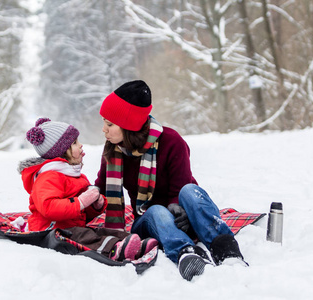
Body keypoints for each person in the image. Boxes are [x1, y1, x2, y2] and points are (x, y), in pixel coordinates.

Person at [94, 80, 246, 281]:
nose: (104, 129)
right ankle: (186, 253)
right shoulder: (114, 150)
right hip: (148, 220)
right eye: (104, 122)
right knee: (157, 210)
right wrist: (80, 203)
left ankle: (226, 250)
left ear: (129, 124)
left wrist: (177, 205)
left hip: (183, 216)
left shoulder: (172, 142)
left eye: (110, 124)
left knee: (190, 191)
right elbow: (100, 191)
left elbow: (181, 185)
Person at [19, 117, 158, 261]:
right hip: (51, 231)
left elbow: (81, 213)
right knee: (87, 237)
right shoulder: (48, 177)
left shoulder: (75, 175)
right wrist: (80, 202)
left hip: (73, 227)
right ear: (61, 151)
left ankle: (135, 243)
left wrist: (95, 205)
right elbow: (48, 208)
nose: (80, 145)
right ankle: (115, 250)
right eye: (74, 143)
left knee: (101, 232)